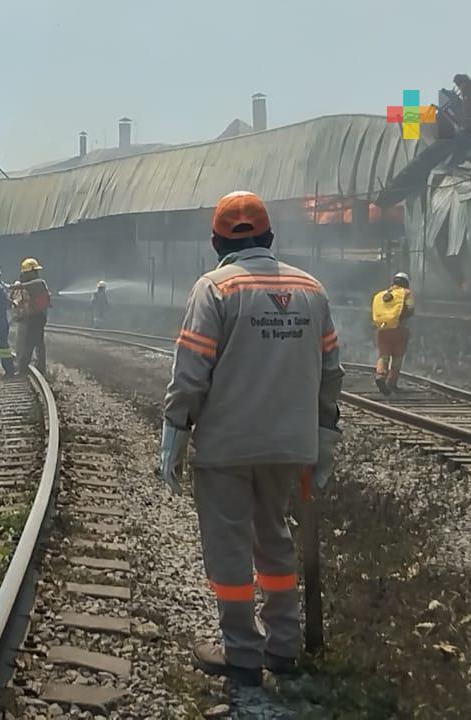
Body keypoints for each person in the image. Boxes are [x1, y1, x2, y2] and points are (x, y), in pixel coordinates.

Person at [160, 190, 344, 686]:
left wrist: (175, 431)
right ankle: (283, 647)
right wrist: (324, 437)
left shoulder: (215, 289)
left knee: (229, 548)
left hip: (226, 448)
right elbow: (331, 374)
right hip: (289, 446)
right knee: (275, 540)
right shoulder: (312, 290)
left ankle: (242, 652)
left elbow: (191, 371)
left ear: (217, 242)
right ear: (269, 237)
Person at [371, 271, 415, 395]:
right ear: (406, 283)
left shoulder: (382, 295)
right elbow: (411, 309)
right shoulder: (407, 293)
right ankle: (392, 382)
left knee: (383, 356)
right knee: (397, 357)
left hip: (382, 330)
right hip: (400, 330)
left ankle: (380, 376)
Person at [12, 258, 51, 373]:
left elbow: (29, 286)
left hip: (36, 317)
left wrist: (14, 286)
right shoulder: (29, 284)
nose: (37, 274)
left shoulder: (38, 283)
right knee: (38, 342)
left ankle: (23, 368)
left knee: (29, 343)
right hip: (35, 316)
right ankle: (40, 366)